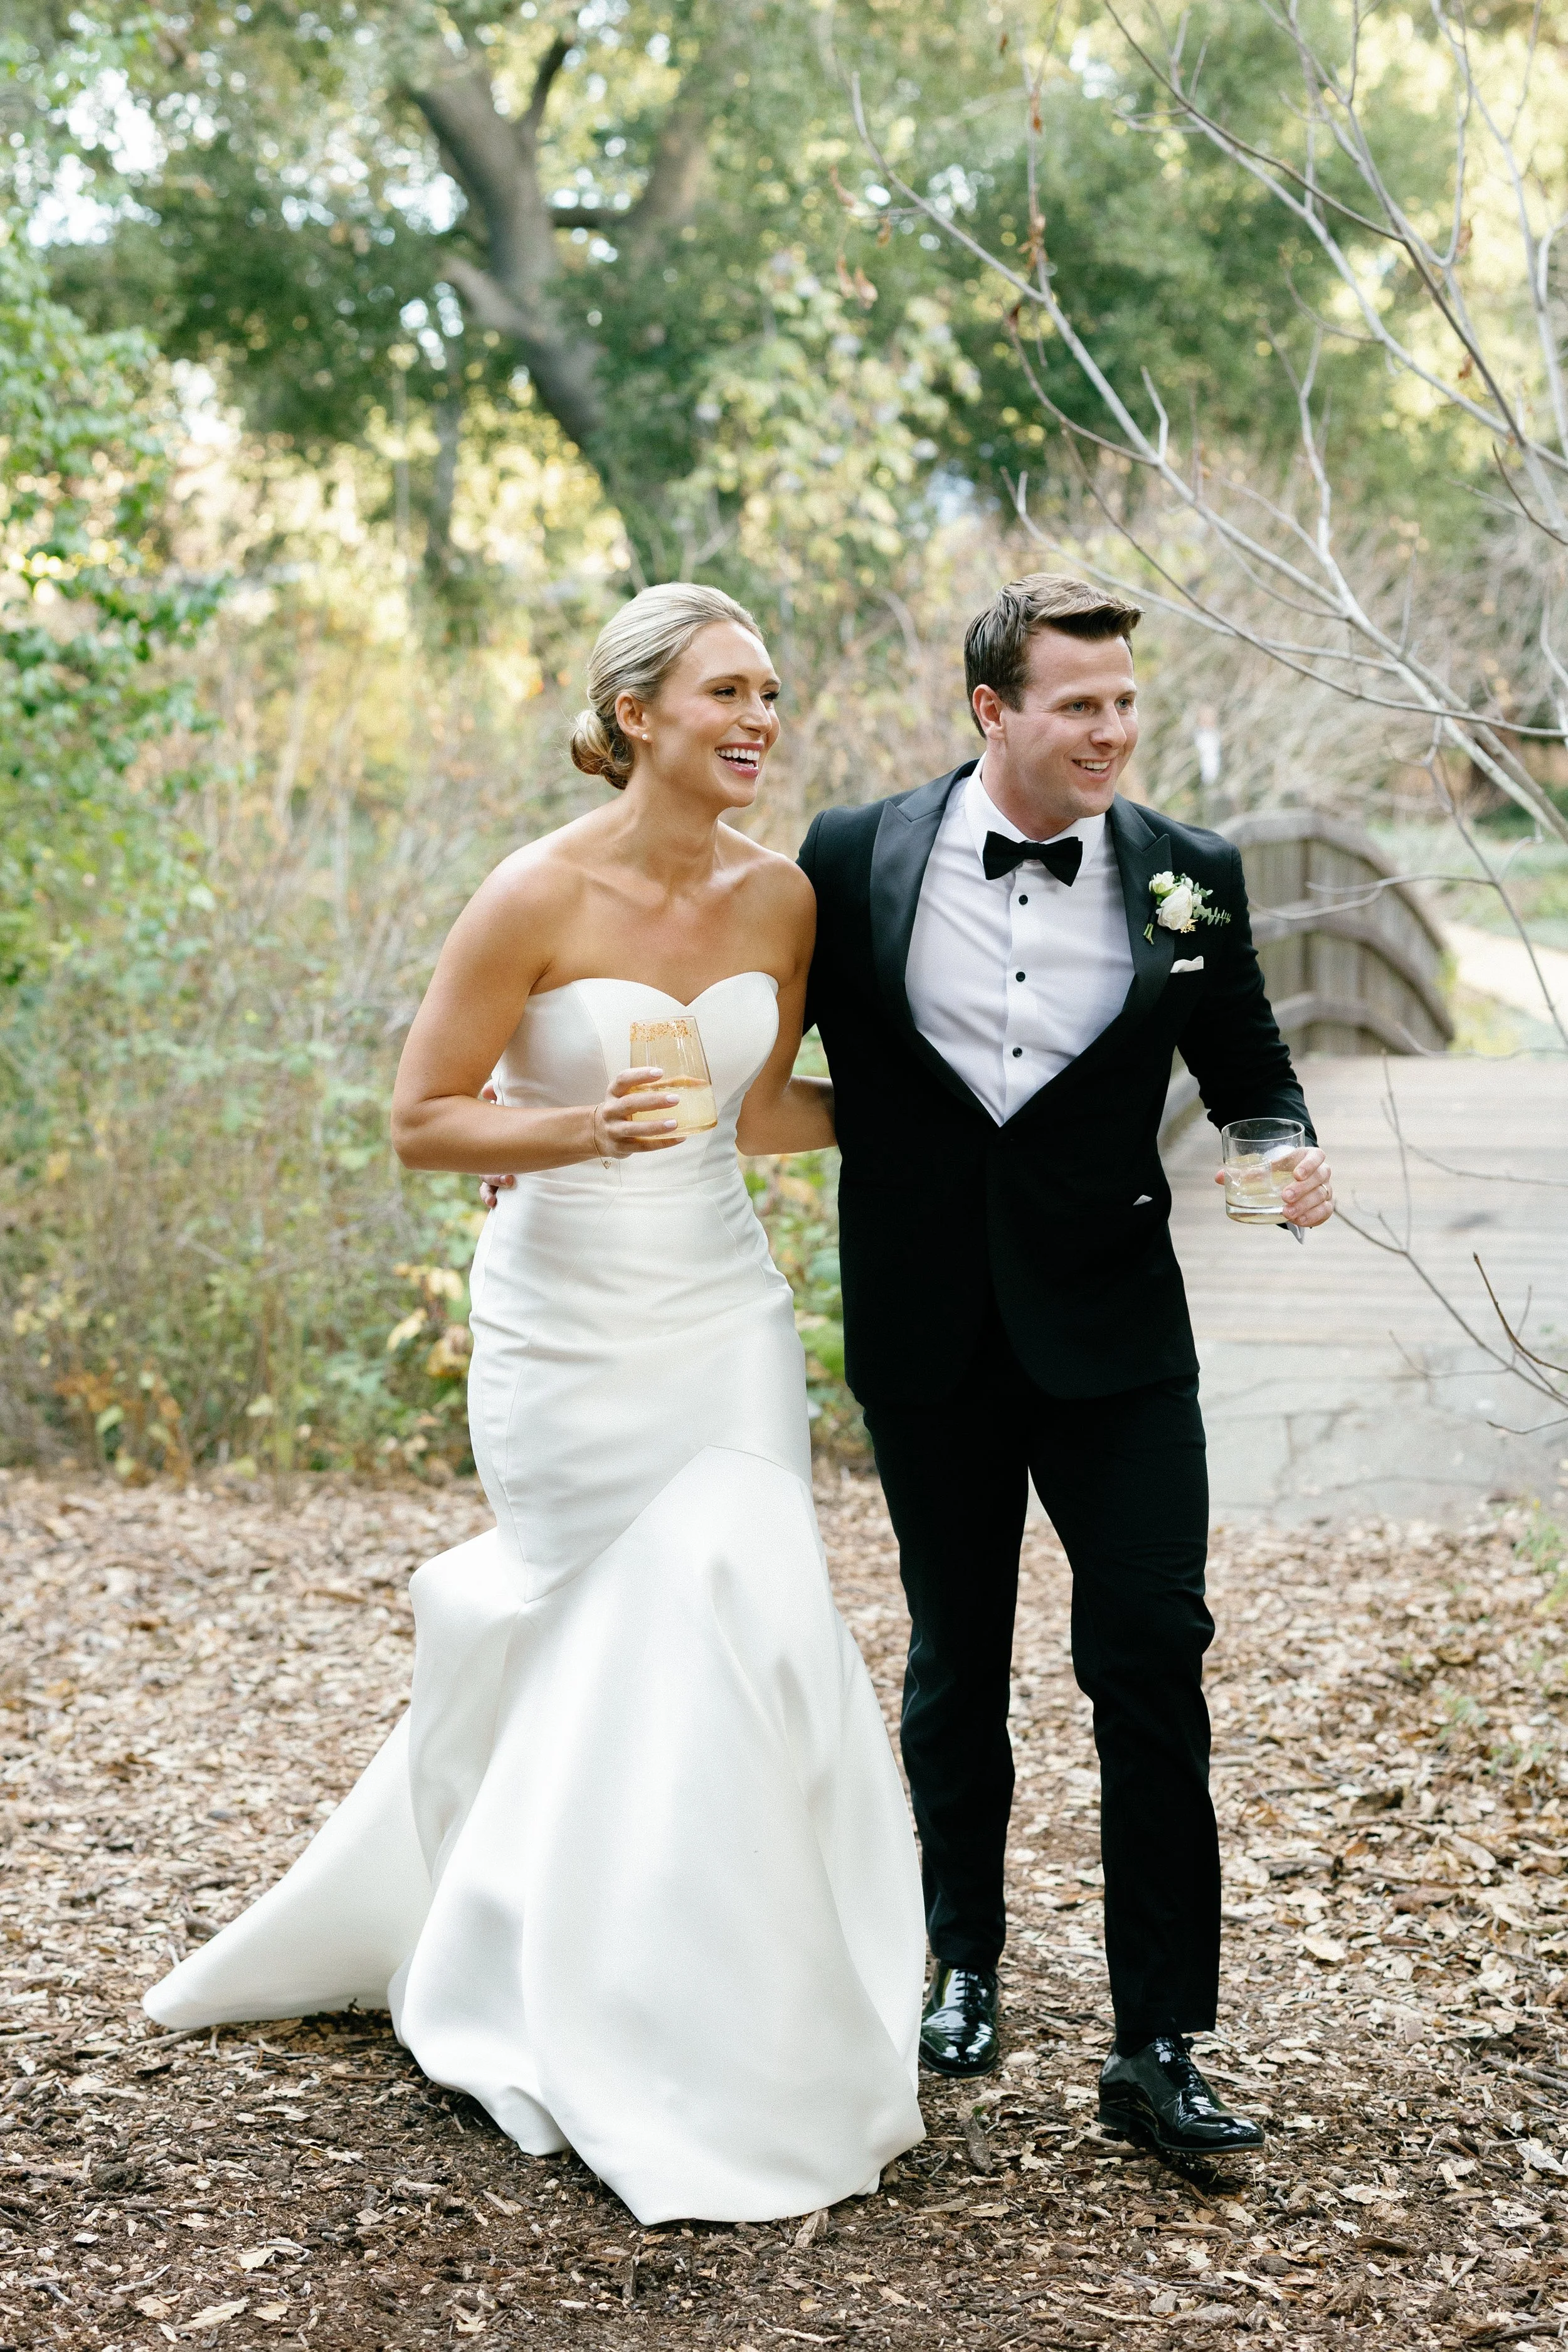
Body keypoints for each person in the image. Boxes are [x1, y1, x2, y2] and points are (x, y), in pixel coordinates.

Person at [142, 583, 927, 2226]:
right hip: (564, 1325)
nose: (759, 718)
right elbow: (422, 1119)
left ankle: (740, 1998)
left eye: (769, 692)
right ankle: (551, 1965)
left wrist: (954, 1113)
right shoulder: (532, 892)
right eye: (725, 690)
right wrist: (579, 1133)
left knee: (746, 1608)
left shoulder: (783, 896)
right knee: (606, 1632)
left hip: (721, 1314)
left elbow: (759, 1109)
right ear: (635, 714)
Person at [798, 572, 1334, 2160]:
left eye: (1124, 705)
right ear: (992, 709)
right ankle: (959, 1963)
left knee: (1151, 1654)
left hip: (1115, 1334)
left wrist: (1286, 1149)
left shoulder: (1187, 872)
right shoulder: (853, 853)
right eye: (1078, 705)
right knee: (956, 1656)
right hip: (927, 1327)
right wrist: (553, 1133)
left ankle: (1156, 2039)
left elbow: (1249, 1072)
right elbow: (733, 1023)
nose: (1111, 732)